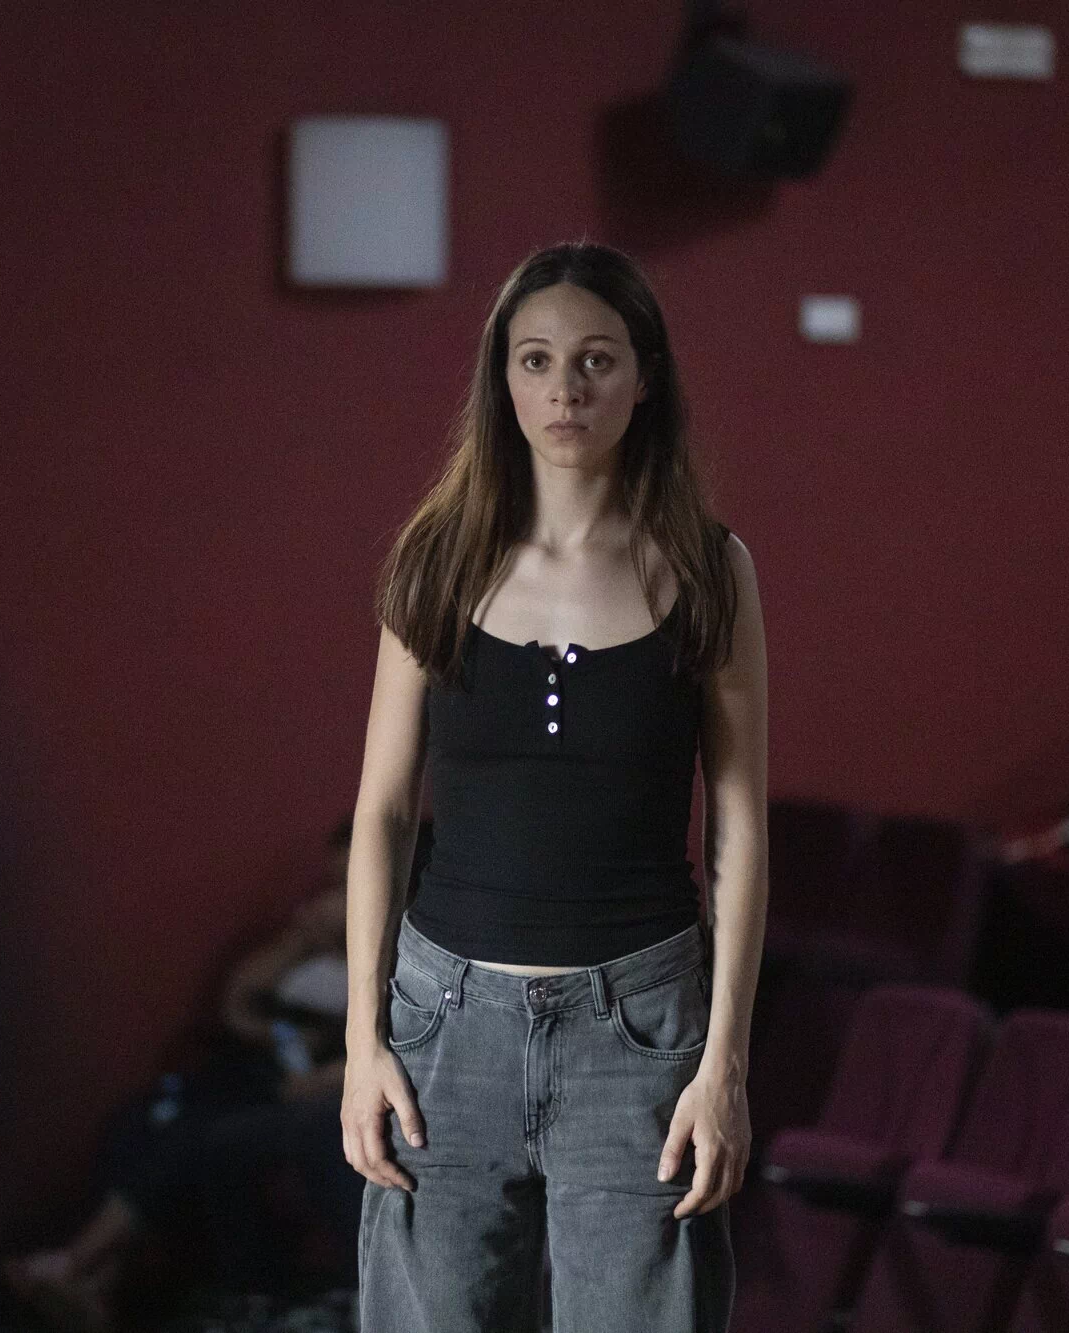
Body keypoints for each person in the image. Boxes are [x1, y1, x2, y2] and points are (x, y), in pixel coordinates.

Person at [340, 241, 770, 1332]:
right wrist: (360, 1042)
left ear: (644, 376)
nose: (564, 389)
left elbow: (737, 828)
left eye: (594, 360)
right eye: (534, 360)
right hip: (443, 1030)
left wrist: (723, 1063)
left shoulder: (709, 568)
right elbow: (383, 813)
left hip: (639, 1034)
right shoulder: (435, 560)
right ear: (502, 379)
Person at [3, 815, 394, 1332]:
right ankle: (97, 1276)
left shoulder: (397, 961)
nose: (336, 897)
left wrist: (313, 1072)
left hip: (301, 1092)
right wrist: (300, 943)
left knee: (200, 1130)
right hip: (253, 1071)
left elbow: (383, 1051)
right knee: (147, 1117)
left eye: (349, 884)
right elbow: (237, 1006)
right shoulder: (315, 950)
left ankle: (81, 1264)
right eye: (335, 882)